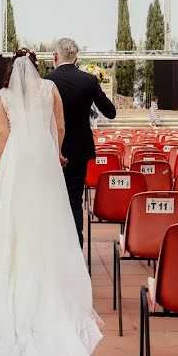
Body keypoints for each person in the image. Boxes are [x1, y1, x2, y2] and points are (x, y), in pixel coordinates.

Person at [0, 48, 102, 356]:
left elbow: (2, 136)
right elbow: (60, 126)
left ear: (12, 70)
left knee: (13, 224)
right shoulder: (49, 90)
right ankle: (50, 293)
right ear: (37, 68)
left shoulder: (4, 96)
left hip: (18, 161)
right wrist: (56, 153)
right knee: (49, 221)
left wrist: (3, 166)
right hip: (44, 160)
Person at [44, 38, 116, 246]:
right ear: (76, 58)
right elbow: (110, 112)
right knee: (75, 200)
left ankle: (54, 248)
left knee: (53, 200)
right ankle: (75, 247)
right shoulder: (90, 81)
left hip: (52, 149)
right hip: (79, 150)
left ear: (55, 57)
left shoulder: (46, 81)